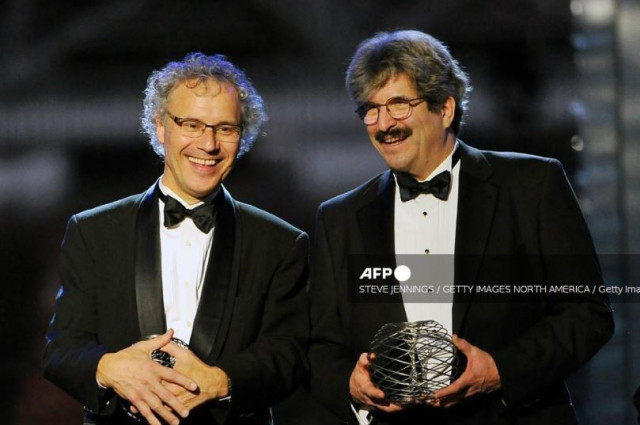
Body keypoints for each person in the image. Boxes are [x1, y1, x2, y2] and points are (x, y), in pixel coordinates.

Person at [308, 30, 614, 424]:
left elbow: (587, 313)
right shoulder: (339, 218)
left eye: (399, 105)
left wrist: (501, 371)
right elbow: (320, 348)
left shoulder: (532, 185)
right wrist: (350, 386)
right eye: (370, 108)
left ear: (446, 108)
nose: (383, 123)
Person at [44, 52, 309, 425]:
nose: (209, 144)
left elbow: (291, 353)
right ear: (160, 127)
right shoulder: (93, 231)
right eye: (192, 125)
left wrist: (221, 381)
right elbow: (62, 350)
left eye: (225, 128)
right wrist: (108, 367)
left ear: (242, 136)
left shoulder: (281, 243)